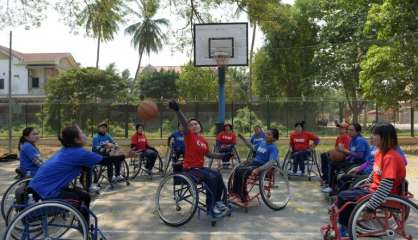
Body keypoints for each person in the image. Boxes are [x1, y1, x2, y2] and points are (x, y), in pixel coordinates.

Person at [28, 125, 124, 224]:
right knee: (82, 198)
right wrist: (125, 155)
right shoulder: (79, 153)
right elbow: (105, 161)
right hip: (47, 192)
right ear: (77, 140)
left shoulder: (66, 150)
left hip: (38, 187)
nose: (85, 135)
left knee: (84, 195)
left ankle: (83, 224)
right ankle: (84, 225)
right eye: (82, 133)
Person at [335, 123, 406, 237]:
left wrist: (370, 208)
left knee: (344, 196)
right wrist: (366, 182)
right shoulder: (380, 153)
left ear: (385, 138)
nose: (371, 137)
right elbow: (375, 173)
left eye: (375, 134)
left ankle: (345, 229)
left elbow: (386, 186)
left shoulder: (391, 157)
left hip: (384, 195)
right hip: (374, 190)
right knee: (346, 191)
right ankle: (345, 223)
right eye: (372, 134)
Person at [168, 100, 229, 217]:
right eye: (191, 124)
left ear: (200, 126)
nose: (194, 125)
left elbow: (209, 154)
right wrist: (177, 110)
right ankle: (211, 207)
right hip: (190, 170)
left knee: (217, 174)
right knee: (211, 178)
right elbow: (184, 123)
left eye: (196, 124)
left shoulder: (203, 140)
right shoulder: (189, 136)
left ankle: (218, 201)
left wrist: (223, 156)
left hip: (200, 169)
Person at [229, 129, 279, 205]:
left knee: (244, 172)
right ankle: (235, 193)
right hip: (254, 162)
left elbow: (271, 162)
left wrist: (258, 169)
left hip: (261, 165)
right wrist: (243, 139)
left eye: (269, 134)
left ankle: (243, 196)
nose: (266, 135)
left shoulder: (273, 148)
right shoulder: (262, 143)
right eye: (266, 133)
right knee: (238, 169)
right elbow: (252, 147)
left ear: (274, 139)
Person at [327, 123, 371, 192]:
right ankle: (332, 185)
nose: (349, 131)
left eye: (351, 130)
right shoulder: (352, 139)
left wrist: (345, 151)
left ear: (358, 132)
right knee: (333, 163)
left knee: (334, 165)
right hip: (353, 161)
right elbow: (350, 153)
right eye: (348, 130)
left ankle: (332, 187)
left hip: (360, 163)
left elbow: (360, 156)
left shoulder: (360, 140)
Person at [320, 122, 351, 192]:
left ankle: (330, 183)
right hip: (338, 155)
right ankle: (325, 177)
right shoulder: (338, 138)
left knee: (331, 163)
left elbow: (347, 151)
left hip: (344, 157)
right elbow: (336, 148)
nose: (340, 129)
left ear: (346, 129)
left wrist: (337, 152)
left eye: (342, 128)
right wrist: (331, 152)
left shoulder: (347, 138)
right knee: (324, 155)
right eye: (339, 128)